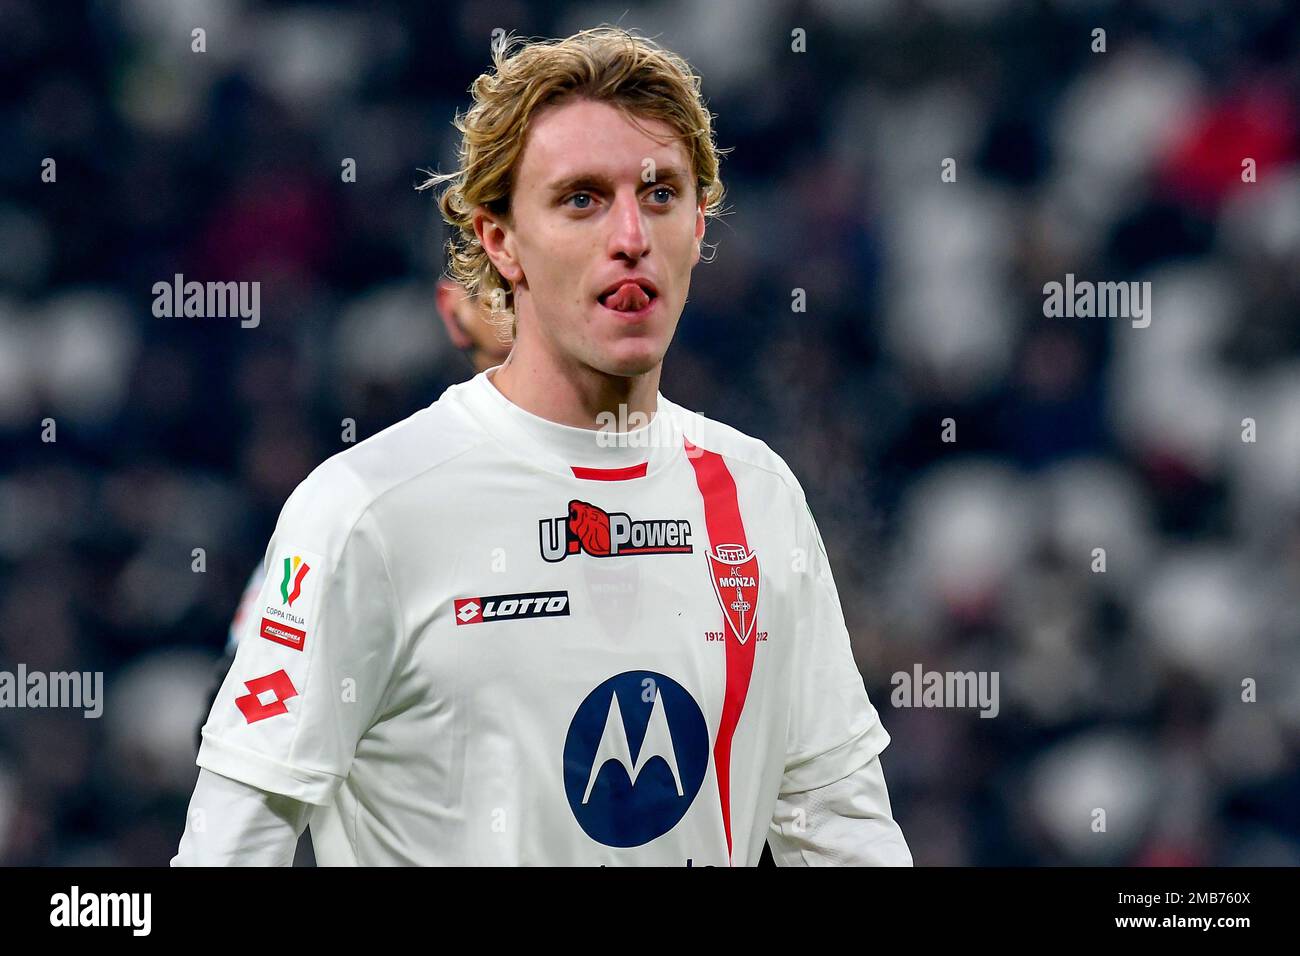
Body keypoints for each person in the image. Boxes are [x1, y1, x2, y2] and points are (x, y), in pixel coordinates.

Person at [173, 26, 911, 866]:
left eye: (661, 193)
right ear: (500, 241)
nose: (630, 234)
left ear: (701, 226)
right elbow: (233, 848)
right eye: (582, 199)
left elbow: (841, 829)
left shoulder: (759, 497)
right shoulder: (366, 510)